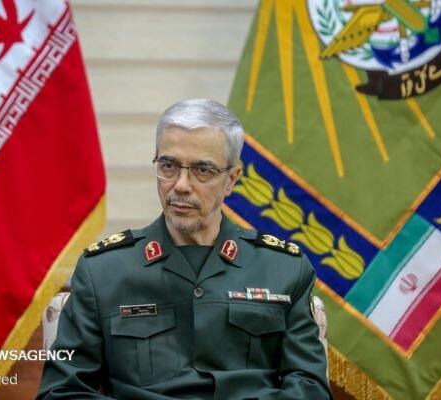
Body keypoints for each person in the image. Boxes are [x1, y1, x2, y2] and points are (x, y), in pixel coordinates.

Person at [37, 99, 332, 399]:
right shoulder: (103, 272)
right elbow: (60, 392)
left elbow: (310, 389)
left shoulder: (284, 269)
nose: (180, 185)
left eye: (203, 170)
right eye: (168, 166)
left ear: (231, 179)